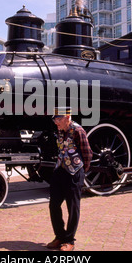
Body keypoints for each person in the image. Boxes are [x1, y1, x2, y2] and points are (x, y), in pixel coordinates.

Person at [46, 107, 93, 251]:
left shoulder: (78, 131)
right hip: (60, 170)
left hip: (74, 173)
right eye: (55, 120)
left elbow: (87, 153)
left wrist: (81, 172)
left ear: (67, 118)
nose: (56, 123)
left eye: (59, 120)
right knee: (54, 204)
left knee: (72, 207)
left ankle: (70, 240)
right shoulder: (60, 130)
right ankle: (59, 236)